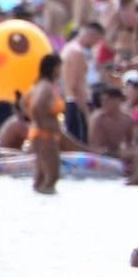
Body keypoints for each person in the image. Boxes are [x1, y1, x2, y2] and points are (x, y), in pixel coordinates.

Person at [26, 52, 81, 194]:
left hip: (40, 133)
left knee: (40, 178)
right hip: (45, 135)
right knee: (52, 177)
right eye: (59, 67)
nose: (61, 70)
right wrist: (41, 123)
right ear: (53, 68)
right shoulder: (46, 86)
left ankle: (37, 206)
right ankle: (47, 209)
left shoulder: (39, 84)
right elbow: (36, 106)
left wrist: (35, 122)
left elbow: (23, 103)